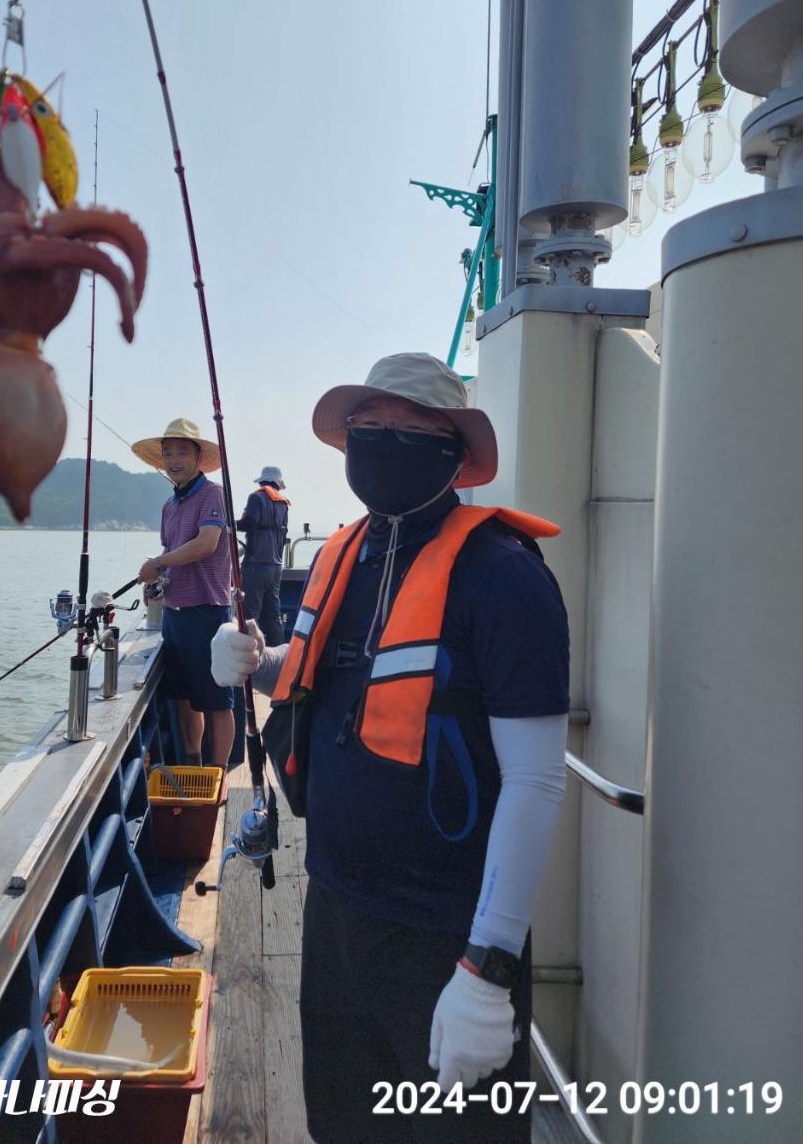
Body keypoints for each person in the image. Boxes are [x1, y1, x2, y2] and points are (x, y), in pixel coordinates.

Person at [210, 353, 569, 1143]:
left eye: (414, 427)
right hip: (334, 912)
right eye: (370, 425)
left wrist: (488, 968)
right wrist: (251, 661)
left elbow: (538, 779)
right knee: (343, 1123)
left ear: (454, 451)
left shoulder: (505, 577)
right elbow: (326, 682)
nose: (387, 439)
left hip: (449, 936)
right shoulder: (346, 554)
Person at [132, 418, 235, 770]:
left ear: (198, 456)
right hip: (175, 613)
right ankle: (192, 762)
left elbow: (207, 543)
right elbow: (174, 553)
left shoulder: (212, 495)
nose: (173, 459)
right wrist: (156, 582)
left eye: (181, 451)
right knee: (183, 698)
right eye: (167, 453)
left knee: (217, 701)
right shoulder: (169, 506)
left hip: (208, 611)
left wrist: (158, 563)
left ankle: (218, 773)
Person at [236, 465, 290, 646]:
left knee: (250, 617)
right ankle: (279, 658)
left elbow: (249, 524)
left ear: (262, 481)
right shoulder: (283, 503)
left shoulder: (256, 497)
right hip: (275, 569)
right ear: (278, 484)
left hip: (255, 566)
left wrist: (227, 521)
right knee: (273, 617)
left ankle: (251, 660)